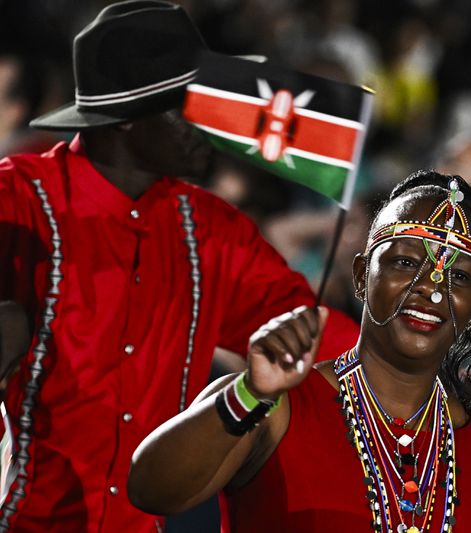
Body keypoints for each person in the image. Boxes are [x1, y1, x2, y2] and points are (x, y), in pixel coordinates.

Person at [0, 2, 358, 531]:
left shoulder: (215, 231)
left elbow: (325, 342)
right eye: (188, 104)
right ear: (124, 118)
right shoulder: (18, 198)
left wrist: (426, 380)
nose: (212, 122)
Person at [128, 171, 471, 531]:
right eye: (405, 263)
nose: (432, 289)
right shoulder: (278, 405)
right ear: (362, 275)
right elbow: (151, 489)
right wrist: (250, 393)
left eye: (457, 276)